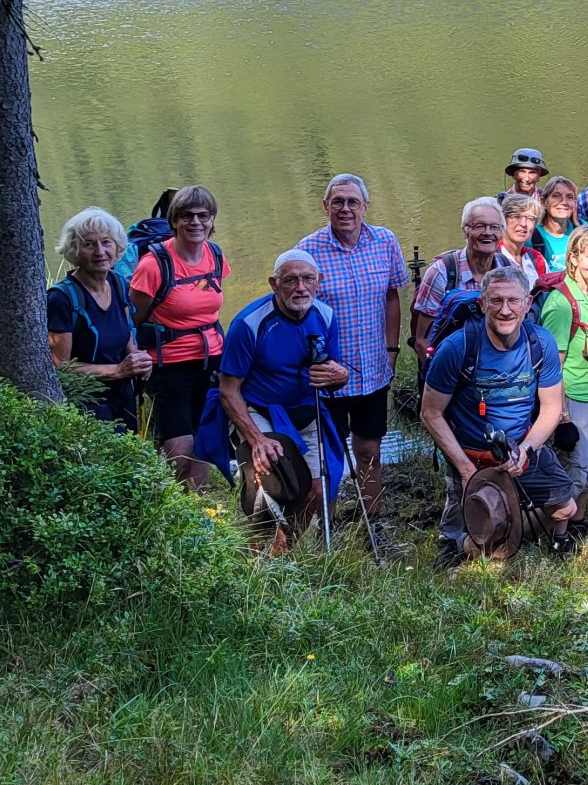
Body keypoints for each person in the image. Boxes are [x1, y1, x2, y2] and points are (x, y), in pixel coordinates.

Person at [421, 267, 580, 560]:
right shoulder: (458, 348)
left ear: (527, 304)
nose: (505, 310)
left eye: (513, 301)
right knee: (464, 548)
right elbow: (430, 413)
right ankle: (463, 543)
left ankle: (543, 538)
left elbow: (552, 408)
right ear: (482, 305)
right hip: (470, 455)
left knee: (566, 508)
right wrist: (467, 471)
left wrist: (526, 449)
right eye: (495, 301)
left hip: (521, 448)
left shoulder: (541, 343)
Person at [297, 173, 404, 552]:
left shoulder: (385, 241)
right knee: (324, 457)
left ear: (365, 207)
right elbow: (295, 311)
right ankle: (321, 531)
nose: (345, 209)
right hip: (328, 377)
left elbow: (393, 296)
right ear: (325, 207)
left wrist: (391, 351)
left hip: (373, 370)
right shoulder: (308, 251)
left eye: (352, 202)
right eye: (337, 202)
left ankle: (372, 526)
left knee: (369, 451)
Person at [217, 250, 350, 551]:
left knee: (319, 487)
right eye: (290, 280)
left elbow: (332, 372)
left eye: (307, 279)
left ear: (320, 282)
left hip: (308, 410)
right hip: (261, 412)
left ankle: (284, 551)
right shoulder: (249, 324)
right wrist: (256, 440)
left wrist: (340, 376)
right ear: (274, 284)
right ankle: (258, 553)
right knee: (270, 485)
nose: (300, 287)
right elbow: (228, 390)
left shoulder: (326, 316)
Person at [129, 183, 227, 487]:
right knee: (180, 449)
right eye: (187, 216)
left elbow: (210, 306)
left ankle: (202, 512)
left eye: (203, 216)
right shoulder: (153, 264)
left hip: (212, 361)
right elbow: (133, 318)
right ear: (174, 221)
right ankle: (178, 513)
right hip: (168, 367)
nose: (196, 222)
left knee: (204, 442)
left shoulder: (215, 255)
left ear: (212, 220)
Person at [47, 206, 153, 432]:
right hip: (86, 404)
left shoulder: (117, 283)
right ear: (74, 250)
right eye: (88, 244)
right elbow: (61, 367)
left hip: (123, 396)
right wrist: (117, 370)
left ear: (117, 247)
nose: (100, 251)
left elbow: (126, 335)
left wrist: (137, 360)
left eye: (106, 242)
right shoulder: (61, 298)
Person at [541, 225, 588, 502]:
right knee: (574, 471)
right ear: (573, 258)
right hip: (574, 400)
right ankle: (560, 533)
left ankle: (579, 527)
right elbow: (551, 367)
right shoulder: (561, 303)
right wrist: (563, 418)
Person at [411, 199, 530, 360]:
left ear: (502, 232)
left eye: (494, 227)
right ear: (465, 230)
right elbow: (422, 341)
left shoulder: (510, 269)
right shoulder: (441, 272)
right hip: (450, 370)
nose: (488, 232)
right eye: (479, 226)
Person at [533, 176, 580, 272]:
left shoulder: (582, 231)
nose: (564, 202)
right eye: (556, 196)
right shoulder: (532, 235)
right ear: (543, 202)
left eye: (569, 197)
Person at [499, 191, 548, 278]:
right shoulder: (491, 258)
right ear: (503, 220)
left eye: (530, 218)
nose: (523, 224)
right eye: (516, 216)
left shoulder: (537, 259)